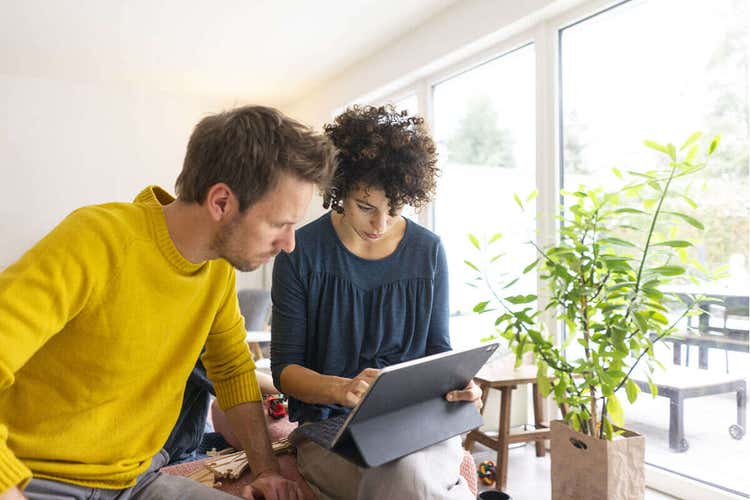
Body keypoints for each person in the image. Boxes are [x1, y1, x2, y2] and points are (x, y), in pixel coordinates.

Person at [0, 105, 336, 500]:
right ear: (221, 202)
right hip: (37, 478)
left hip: (137, 482)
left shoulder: (217, 270)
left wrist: (265, 470)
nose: (290, 243)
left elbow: (231, 370)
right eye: (280, 224)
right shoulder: (95, 240)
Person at [270, 104, 482, 500]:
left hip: (417, 423)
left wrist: (463, 387)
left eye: (395, 210)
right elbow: (285, 370)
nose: (379, 225)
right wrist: (341, 389)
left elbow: (438, 352)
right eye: (365, 206)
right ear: (339, 188)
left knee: (407, 473)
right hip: (329, 427)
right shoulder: (300, 254)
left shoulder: (428, 251)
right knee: (404, 482)